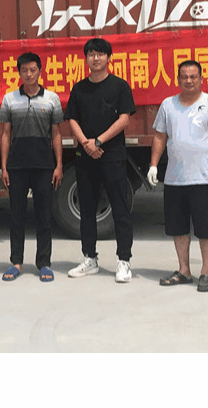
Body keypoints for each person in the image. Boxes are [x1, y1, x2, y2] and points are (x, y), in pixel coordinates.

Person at [147, 60, 208, 293]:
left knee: (206, 229)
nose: (189, 80)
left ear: (202, 79)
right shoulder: (168, 105)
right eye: (184, 76)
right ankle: (184, 270)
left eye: (194, 76)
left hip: (203, 179)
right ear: (178, 80)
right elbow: (160, 136)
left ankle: (206, 272)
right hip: (175, 179)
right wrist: (153, 165)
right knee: (178, 228)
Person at [64, 37, 137, 283]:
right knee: (87, 208)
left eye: (100, 54)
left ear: (108, 58)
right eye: (91, 54)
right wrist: (86, 143)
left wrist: (98, 142)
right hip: (85, 155)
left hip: (112, 154)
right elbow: (72, 118)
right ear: (86, 58)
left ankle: (124, 261)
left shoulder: (119, 86)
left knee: (120, 207)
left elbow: (124, 119)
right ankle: (89, 258)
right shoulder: (79, 88)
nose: (95, 58)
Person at [0, 52, 64, 283]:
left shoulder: (52, 99)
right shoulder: (9, 99)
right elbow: (5, 134)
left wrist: (59, 165)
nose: (29, 74)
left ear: (40, 71)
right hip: (16, 166)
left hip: (44, 166)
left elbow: (56, 134)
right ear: (19, 72)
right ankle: (16, 262)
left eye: (33, 70)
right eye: (24, 70)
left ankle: (44, 263)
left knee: (44, 216)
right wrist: (4, 166)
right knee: (16, 216)